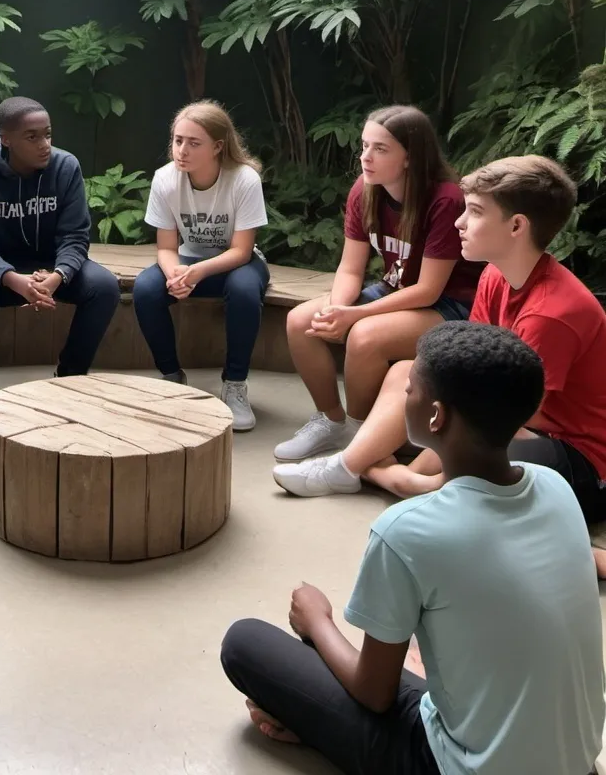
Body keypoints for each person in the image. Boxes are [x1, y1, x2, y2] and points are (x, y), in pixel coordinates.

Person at [222, 323, 605, 775]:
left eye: (409, 389)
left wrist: (318, 621)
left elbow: (374, 693)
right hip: (576, 762)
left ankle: (319, 721)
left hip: (454, 766)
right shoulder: (554, 486)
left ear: (436, 416)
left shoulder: (405, 531)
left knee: (243, 643)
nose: (403, 396)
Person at [273, 156, 606, 514]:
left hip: (577, 455)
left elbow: (519, 414)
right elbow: (469, 364)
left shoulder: (551, 313)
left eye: (475, 212)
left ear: (516, 226)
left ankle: (386, 476)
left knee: (460, 445)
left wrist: (438, 429)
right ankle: (359, 468)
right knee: (410, 371)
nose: (459, 222)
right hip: (512, 422)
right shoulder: (495, 276)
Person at [275, 105, 483, 462]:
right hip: (396, 289)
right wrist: (337, 308)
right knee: (300, 321)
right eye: (364, 146)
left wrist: (355, 316)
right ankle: (331, 421)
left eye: (380, 149)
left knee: (365, 336)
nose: (365, 157)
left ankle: (359, 439)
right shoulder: (366, 189)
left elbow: (429, 290)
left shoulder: (445, 200)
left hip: (450, 305)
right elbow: (351, 268)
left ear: (409, 157)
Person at [0, 96, 120, 433]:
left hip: (49, 265)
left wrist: (60, 275)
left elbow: (75, 235)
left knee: (104, 287)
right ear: (6, 139)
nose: (44, 145)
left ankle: (69, 380)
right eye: (32, 137)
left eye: (48, 135)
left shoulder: (65, 166)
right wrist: (13, 279)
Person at [132, 100, 269, 431]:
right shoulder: (165, 179)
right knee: (146, 288)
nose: (182, 150)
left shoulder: (244, 180)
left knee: (245, 291)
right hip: (187, 260)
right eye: (178, 140)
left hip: (237, 264)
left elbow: (241, 250)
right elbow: (166, 247)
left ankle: (234, 385)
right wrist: (175, 274)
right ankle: (171, 377)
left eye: (194, 143)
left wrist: (199, 272)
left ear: (218, 147)